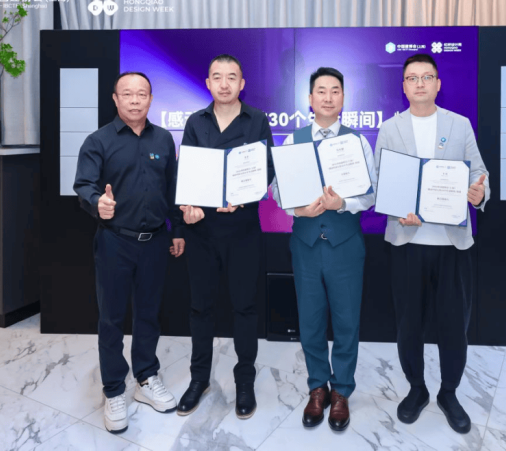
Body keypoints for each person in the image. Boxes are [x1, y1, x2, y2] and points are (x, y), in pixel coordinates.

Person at [374, 54, 489, 434]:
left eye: (427, 77)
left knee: (454, 325)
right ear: (404, 86)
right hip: (406, 241)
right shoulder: (390, 129)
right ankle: (417, 389)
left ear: (438, 84)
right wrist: (397, 210)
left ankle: (449, 392)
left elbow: (478, 172)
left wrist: (479, 193)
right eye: (412, 78)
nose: (420, 83)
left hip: (451, 243)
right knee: (408, 323)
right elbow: (380, 181)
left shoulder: (459, 124)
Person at [74, 72, 185, 434]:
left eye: (142, 94)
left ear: (151, 99)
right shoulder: (98, 141)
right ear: (115, 99)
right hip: (115, 242)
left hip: (155, 242)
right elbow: (84, 185)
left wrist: (177, 231)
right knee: (111, 319)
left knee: (149, 314)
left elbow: (173, 188)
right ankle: (113, 390)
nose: (135, 100)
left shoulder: (164, 139)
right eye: (128, 94)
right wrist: (98, 203)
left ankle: (146, 378)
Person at [271, 67, 377, 431]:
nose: (328, 97)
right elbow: (277, 190)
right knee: (310, 320)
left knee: (347, 321)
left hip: (345, 246)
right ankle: (318, 387)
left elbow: (371, 193)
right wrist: (297, 210)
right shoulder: (293, 139)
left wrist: (342, 204)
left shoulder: (358, 142)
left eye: (335, 91)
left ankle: (341, 390)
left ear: (343, 98)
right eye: (321, 91)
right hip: (305, 245)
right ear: (310, 99)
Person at [177, 54, 274, 420]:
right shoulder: (195, 122)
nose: (224, 83)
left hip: (243, 229)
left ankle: (244, 382)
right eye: (217, 76)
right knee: (200, 308)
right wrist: (188, 207)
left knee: (245, 308)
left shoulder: (257, 120)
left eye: (231, 77)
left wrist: (244, 196)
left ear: (241, 83)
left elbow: (267, 168)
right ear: (208, 83)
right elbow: (187, 172)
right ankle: (198, 379)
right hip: (202, 231)